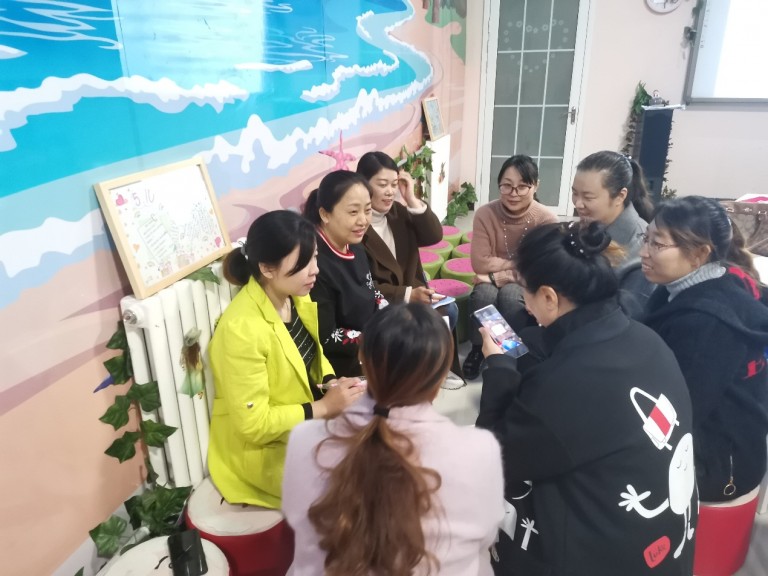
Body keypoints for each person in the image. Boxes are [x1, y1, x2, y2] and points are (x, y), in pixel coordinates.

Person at [476, 221, 697, 576]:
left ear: (549, 297)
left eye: (523, 290)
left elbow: (493, 459)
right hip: (664, 547)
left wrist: (499, 369)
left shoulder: (566, 383)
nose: (524, 303)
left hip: (597, 555)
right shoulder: (648, 340)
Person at [283, 303, 504, 575]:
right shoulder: (479, 452)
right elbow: (484, 537)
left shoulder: (304, 441)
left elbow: (302, 528)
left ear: (362, 358)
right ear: (440, 379)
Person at [207, 210, 366, 509]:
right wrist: (324, 407)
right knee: (360, 480)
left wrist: (331, 383)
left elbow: (314, 355)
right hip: (265, 451)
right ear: (267, 269)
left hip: (304, 424)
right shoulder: (241, 330)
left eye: (315, 258)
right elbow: (254, 424)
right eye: (303, 264)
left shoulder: (294, 295)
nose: (315, 270)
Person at [641, 196, 768, 503]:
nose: (643, 252)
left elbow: (681, 413)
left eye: (657, 244)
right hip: (704, 438)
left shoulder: (706, 323)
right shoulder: (681, 288)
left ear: (699, 254)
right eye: (646, 239)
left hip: (719, 464)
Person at [463, 154, 557, 380]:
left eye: (522, 187)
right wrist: (521, 265)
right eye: (507, 186)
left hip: (526, 281)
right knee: (483, 295)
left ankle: (511, 353)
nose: (513, 193)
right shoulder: (485, 213)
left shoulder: (546, 219)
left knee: (511, 296)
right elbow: (480, 262)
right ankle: (479, 347)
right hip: (495, 276)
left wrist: (498, 276)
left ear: (535, 186)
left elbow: (541, 267)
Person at [303, 170, 386, 377]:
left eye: (368, 210)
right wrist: (375, 339)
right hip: (344, 366)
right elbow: (328, 335)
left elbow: (370, 288)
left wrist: (392, 315)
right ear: (325, 214)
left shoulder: (354, 242)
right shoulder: (314, 265)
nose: (363, 220)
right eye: (353, 212)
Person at [572, 150, 655, 318]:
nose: (578, 204)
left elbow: (627, 316)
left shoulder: (642, 249)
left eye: (588, 197)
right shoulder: (588, 228)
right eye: (574, 193)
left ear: (620, 196)